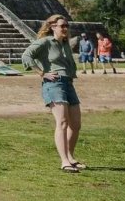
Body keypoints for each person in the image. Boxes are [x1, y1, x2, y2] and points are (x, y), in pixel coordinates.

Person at [23, 14, 83, 173]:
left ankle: (70, 156)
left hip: (68, 83)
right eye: (62, 26)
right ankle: (64, 161)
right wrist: (42, 73)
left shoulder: (65, 44)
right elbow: (26, 56)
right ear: (52, 27)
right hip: (54, 83)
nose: (65, 29)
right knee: (62, 122)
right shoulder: (45, 42)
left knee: (75, 124)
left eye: (67, 26)